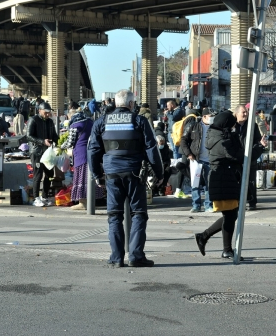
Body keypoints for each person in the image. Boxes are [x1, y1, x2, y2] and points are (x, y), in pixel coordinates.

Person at [88, 89, 164, 268]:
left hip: (111, 174)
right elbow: (152, 149)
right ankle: (136, 256)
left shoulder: (101, 122)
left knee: (114, 215)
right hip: (135, 174)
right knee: (138, 213)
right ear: (131, 104)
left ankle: (116, 258)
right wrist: (159, 174)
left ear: (115, 103)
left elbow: (93, 150)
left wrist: (96, 175)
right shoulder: (139, 121)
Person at [194, 111, 262, 260]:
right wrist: (259, 148)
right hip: (223, 178)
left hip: (225, 178)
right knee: (230, 214)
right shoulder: (221, 139)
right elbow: (239, 156)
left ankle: (211, 241)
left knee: (230, 214)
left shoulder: (217, 135)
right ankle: (215, 243)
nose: (233, 127)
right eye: (232, 125)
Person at [61, 110, 103, 210]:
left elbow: (71, 141)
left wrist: (61, 146)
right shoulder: (90, 122)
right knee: (90, 178)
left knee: (81, 178)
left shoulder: (75, 125)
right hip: (92, 154)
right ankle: (91, 202)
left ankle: (83, 203)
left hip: (81, 155)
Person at [180, 107, 216, 213]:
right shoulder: (193, 125)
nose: (212, 118)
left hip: (210, 159)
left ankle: (208, 204)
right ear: (204, 116)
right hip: (196, 159)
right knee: (195, 183)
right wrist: (189, 154)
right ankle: (196, 205)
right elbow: (183, 140)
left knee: (209, 183)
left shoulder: (214, 128)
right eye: (210, 116)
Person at [234, 104, 267, 209]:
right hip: (236, 159)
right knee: (236, 181)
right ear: (236, 113)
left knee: (251, 182)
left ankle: (252, 202)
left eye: (246, 112)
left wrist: (258, 146)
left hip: (250, 158)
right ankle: (238, 202)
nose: (245, 114)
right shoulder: (232, 126)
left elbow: (257, 140)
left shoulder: (252, 125)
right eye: (243, 112)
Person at [27, 102, 59, 206]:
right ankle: (36, 197)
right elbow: (28, 136)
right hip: (36, 152)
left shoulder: (50, 122)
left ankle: (44, 196)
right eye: (45, 113)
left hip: (47, 152)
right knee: (38, 174)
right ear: (39, 111)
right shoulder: (33, 120)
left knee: (49, 174)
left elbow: (54, 135)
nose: (47, 114)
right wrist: (42, 141)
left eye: (48, 113)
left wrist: (59, 143)